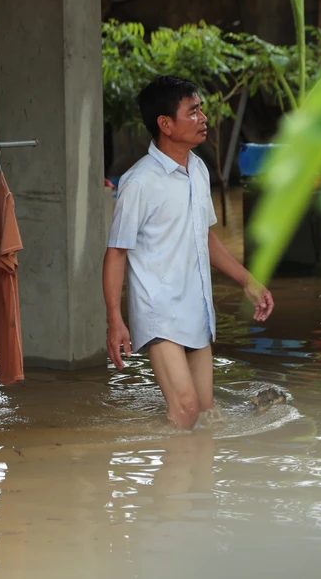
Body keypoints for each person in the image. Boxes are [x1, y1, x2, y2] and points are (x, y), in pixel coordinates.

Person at [102, 76, 274, 430]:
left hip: (196, 306)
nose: (203, 118)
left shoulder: (197, 168)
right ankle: (163, 482)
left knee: (206, 415)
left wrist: (247, 280)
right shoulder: (138, 182)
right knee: (185, 411)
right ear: (165, 124)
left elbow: (204, 236)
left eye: (201, 109)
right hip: (158, 310)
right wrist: (115, 319)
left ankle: (194, 481)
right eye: (192, 111)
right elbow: (116, 252)